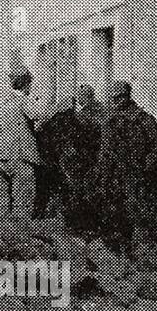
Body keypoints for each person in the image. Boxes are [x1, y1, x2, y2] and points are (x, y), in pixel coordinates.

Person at [94, 82, 157, 269]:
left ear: (127, 97)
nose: (114, 102)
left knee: (145, 217)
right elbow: (104, 152)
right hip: (116, 178)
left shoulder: (144, 120)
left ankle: (148, 258)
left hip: (141, 179)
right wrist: (103, 176)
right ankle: (123, 257)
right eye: (112, 98)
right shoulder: (109, 121)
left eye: (118, 98)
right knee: (117, 217)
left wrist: (145, 167)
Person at [0, 71, 51, 220]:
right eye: (30, 84)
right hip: (19, 157)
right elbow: (37, 114)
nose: (31, 87)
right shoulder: (22, 100)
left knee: (3, 203)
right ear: (26, 84)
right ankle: (19, 239)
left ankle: (1, 237)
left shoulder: (0, 104)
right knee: (22, 204)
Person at [37, 85, 103, 237]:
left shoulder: (93, 112)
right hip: (72, 159)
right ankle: (77, 224)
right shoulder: (66, 115)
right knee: (74, 190)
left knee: (79, 190)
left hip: (84, 159)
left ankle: (81, 225)